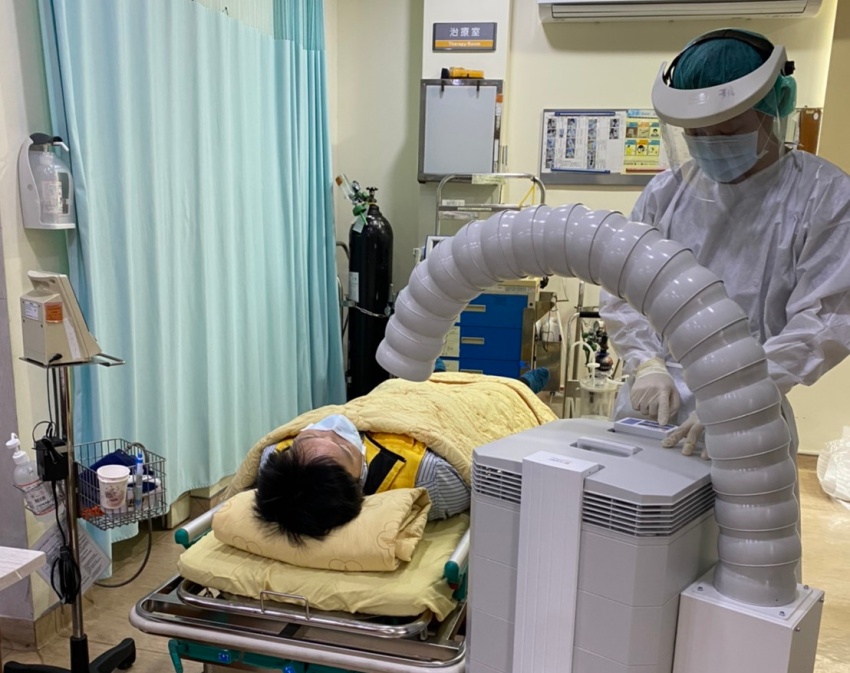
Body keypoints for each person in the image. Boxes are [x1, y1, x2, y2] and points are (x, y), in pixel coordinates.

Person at [600, 29, 850, 459]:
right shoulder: (667, 192)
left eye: (728, 130)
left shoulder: (824, 196)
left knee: (747, 501)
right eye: (696, 134)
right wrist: (647, 363)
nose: (710, 144)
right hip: (651, 405)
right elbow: (623, 285)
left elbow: (826, 317)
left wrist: (744, 391)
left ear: (776, 106)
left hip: (751, 412)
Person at [255, 366, 551, 544]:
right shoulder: (432, 478)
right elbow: (476, 437)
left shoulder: (274, 457)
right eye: (344, 446)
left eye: (309, 435)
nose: (333, 426)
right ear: (358, 483)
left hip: (397, 397)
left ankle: (436, 373)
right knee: (495, 396)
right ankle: (522, 385)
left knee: (411, 381)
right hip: (451, 410)